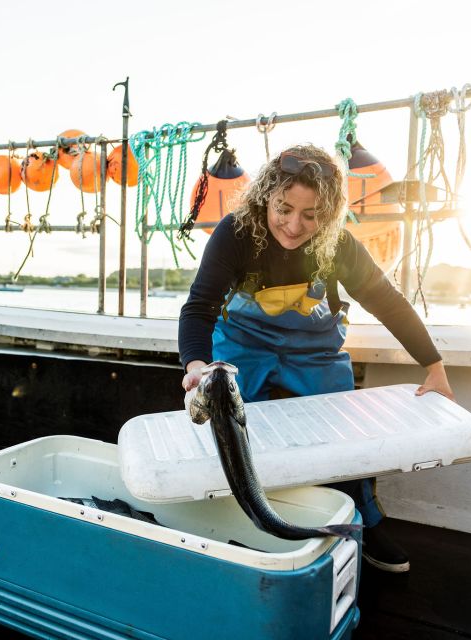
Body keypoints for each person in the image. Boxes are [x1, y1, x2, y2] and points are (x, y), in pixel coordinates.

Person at [178, 143, 455, 573]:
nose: (294, 225)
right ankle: (230, 517)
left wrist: (433, 365)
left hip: (313, 352)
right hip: (242, 347)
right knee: (228, 427)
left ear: (329, 214)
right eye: (284, 209)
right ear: (266, 196)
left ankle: (362, 525)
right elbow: (199, 307)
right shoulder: (235, 231)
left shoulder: (338, 244)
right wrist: (196, 365)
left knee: (346, 432)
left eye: (311, 215)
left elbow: (387, 301)